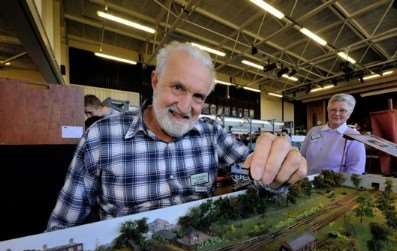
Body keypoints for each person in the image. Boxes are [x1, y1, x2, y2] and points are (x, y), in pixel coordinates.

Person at [47, 41, 307, 230]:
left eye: (198, 96)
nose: (185, 106)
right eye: (177, 87)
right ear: (155, 81)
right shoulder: (100, 138)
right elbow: (62, 226)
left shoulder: (211, 134)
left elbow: (252, 175)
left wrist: (275, 171)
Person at [300, 93, 365, 175]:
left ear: (349, 114)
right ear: (328, 111)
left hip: (334, 186)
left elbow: (355, 171)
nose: (337, 113)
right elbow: (302, 157)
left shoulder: (355, 137)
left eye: (342, 110)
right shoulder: (314, 131)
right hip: (307, 182)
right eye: (333, 110)